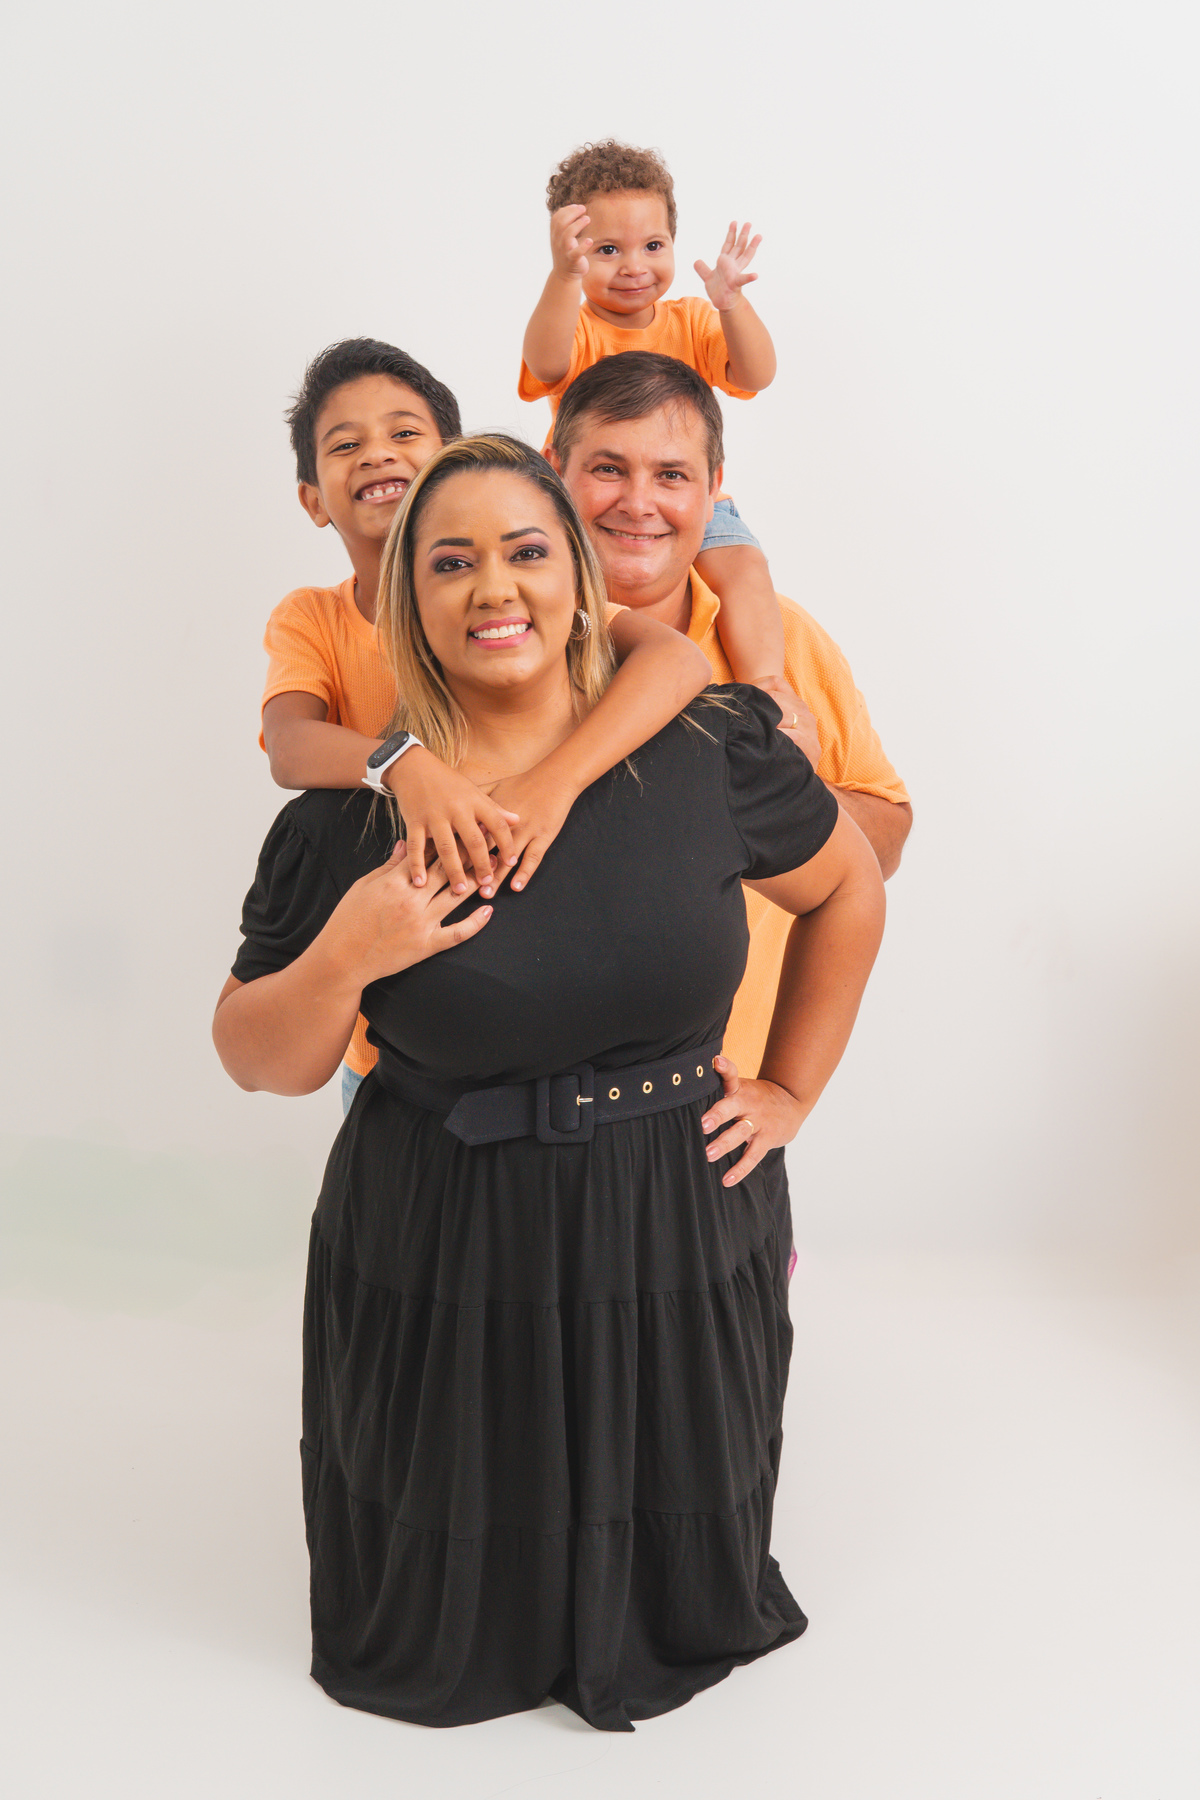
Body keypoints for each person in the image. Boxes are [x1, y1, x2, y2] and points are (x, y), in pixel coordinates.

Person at [213, 434, 885, 1731]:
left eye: (526, 551)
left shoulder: (705, 749)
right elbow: (258, 1059)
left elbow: (848, 885)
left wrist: (793, 1088)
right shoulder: (347, 820)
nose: (493, 588)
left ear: (580, 578)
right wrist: (349, 951)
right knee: (456, 1575)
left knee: (674, 1529)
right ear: (405, 602)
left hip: (678, 1214)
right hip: (448, 1236)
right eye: (449, 563)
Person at [261, 338, 710, 1108]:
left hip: (549, 957)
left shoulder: (534, 592)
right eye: (346, 445)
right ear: (312, 499)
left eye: (405, 433)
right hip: (396, 1011)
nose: (378, 454)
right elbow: (290, 745)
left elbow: (676, 660)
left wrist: (555, 783)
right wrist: (407, 766)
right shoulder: (313, 618)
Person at [547, 351, 913, 1089]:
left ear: (715, 489)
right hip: (517, 1089)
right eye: (608, 469)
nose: (639, 502)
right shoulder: (499, 635)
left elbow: (886, 842)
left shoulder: (783, 638)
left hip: (720, 1095)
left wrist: (778, 797)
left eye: (672, 475)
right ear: (554, 470)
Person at [519, 139, 786, 685]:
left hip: (681, 501)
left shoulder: (692, 319)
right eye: (607, 250)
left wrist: (732, 305)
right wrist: (563, 278)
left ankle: (768, 687)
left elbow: (756, 374)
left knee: (743, 565)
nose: (634, 267)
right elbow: (544, 362)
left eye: (653, 245)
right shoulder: (577, 327)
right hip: (588, 505)